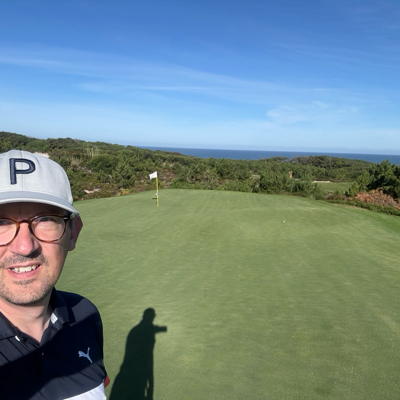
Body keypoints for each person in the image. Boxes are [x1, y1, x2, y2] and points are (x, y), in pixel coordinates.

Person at [0, 150, 109, 399]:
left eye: (45, 219)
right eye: (0, 223)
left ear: (73, 233)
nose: (25, 246)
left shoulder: (85, 314)